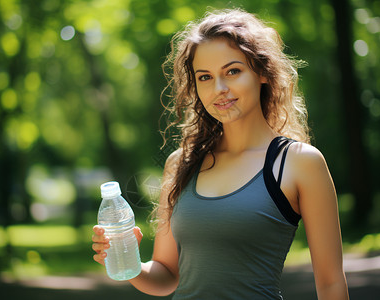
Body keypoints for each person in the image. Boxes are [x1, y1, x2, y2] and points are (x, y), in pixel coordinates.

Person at [92, 8, 349, 299]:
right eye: (205, 77)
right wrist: (130, 263)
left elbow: (330, 283)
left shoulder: (299, 162)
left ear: (262, 72)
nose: (219, 89)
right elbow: (167, 276)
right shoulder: (181, 164)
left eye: (233, 71)